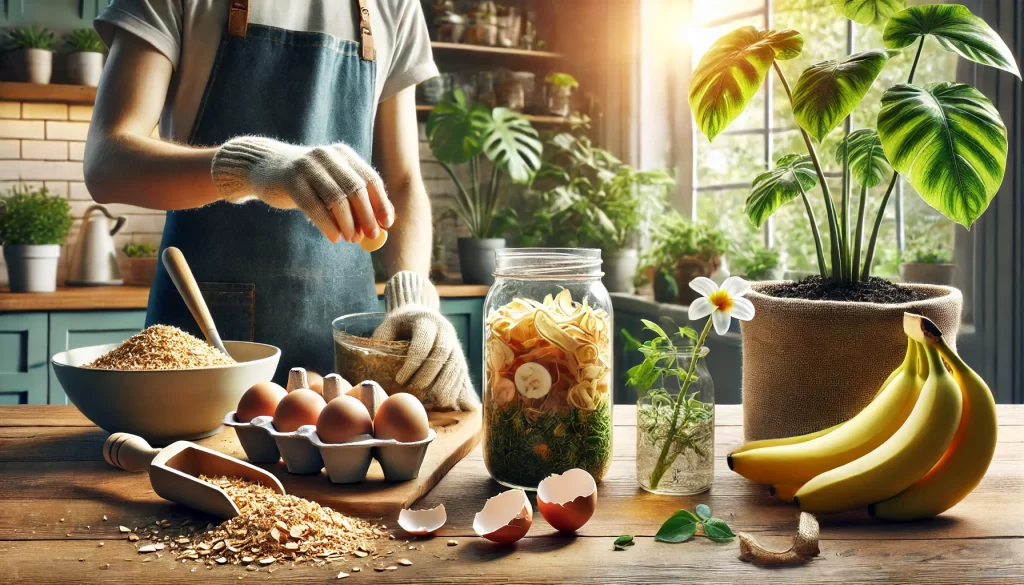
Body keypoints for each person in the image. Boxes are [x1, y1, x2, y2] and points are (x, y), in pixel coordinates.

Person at [84, 0, 478, 410]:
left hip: (344, 356)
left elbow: (401, 180)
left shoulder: (395, 5)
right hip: (203, 347)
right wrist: (252, 166)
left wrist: (412, 294)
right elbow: (107, 162)